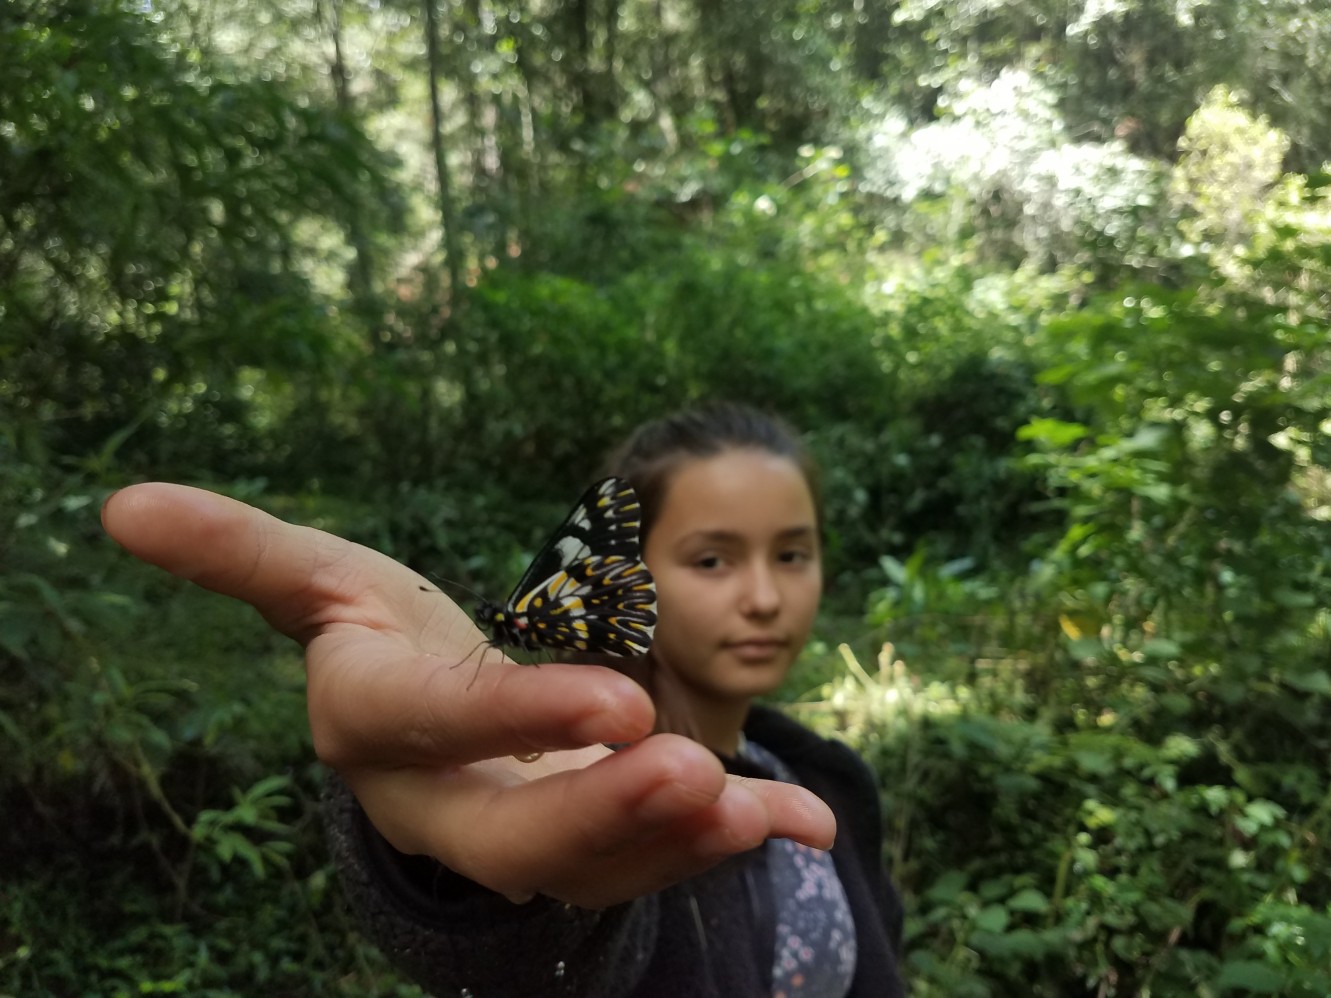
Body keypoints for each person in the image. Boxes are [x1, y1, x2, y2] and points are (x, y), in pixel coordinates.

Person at [101, 402, 906, 997]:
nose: (764, 597)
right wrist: (446, 848)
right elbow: (538, 962)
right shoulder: (584, 769)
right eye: (710, 560)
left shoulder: (831, 781)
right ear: (640, 566)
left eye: (792, 553)